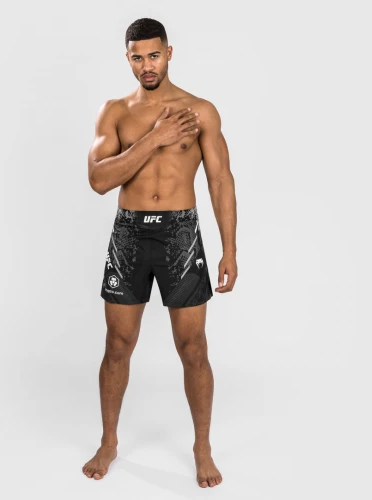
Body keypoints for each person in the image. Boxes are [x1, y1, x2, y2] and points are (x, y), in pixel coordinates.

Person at [82, 17, 238, 489]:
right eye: (137, 57)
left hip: (180, 235)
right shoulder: (115, 111)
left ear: (169, 53)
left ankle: (202, 448)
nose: (146, 65)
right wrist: (154, 138)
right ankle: (109, 441)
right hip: (129, 234)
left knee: (193, 348)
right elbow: (99, 180)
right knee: (117, 345)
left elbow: (220, 180)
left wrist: (230, 249)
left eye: (153, 55)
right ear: (127, 58)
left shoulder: (200, 111)